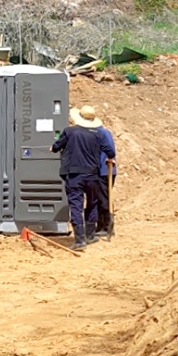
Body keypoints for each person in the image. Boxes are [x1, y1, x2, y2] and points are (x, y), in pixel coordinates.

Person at [50, 104, 112, 251]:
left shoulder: (70, 132)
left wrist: (53, 147)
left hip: (74, 175)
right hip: (93, 175)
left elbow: (56, 146)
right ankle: (90, 236)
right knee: (92, 204)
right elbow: (110, 151)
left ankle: (79, 240)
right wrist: (109, 158)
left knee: (76, 206)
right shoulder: (98, 134)